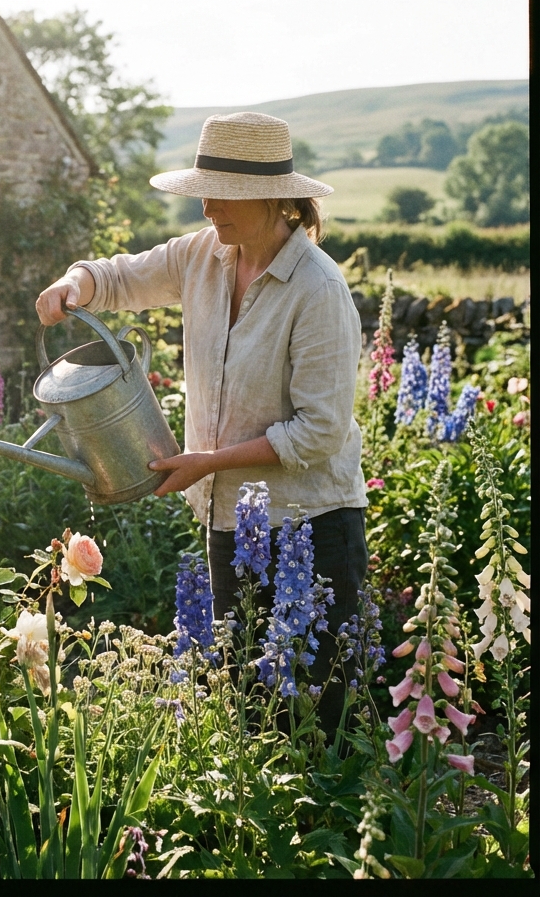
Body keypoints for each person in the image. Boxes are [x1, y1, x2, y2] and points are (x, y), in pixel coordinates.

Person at [36, 112, 368, 735]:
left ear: (273, 199)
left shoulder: (318, 290)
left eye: (220, 195)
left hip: (312, 530)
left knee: (318, 725)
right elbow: (119, 277)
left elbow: (320, 433)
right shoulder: (203, 258)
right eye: (203, 193)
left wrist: (207, 463)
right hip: (228, 521)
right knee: (246, 712)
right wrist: (73, 282)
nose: (208, 209)